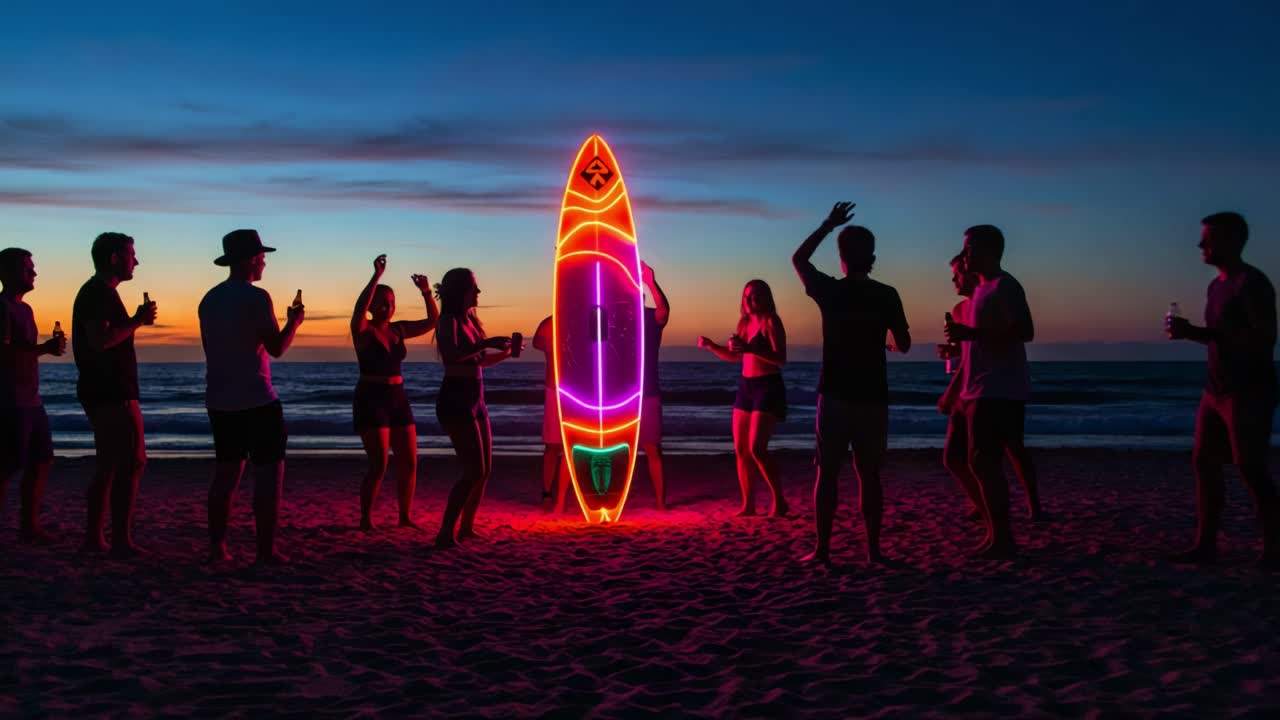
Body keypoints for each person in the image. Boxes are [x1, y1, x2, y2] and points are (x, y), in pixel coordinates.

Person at [793, 202, 910, 564]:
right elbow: (903, 343)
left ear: (842, 257)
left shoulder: (832, 291)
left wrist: (827, 224)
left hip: (836, 394)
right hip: (872, 395)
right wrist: (887, 341)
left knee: (826, 472)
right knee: (868, 474)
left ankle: (823, 549)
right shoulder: (887, 294)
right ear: (872, 257)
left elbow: (799, 259)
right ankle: (873, 550)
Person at [1166, 212, 1278, 568]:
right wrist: (1192, 333)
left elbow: (1264, 339)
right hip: (1214, 391)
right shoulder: (1215, 287)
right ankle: (1206, 545)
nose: (1201, 245)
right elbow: (1220, 339)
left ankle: (1274, 548)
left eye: (1208, 239)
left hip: (1249, 390)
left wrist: (1203, 333)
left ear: (1232, 241)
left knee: (1251, 469)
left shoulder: (1252, 283)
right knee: (1204, 463)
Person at [199, 229, 304, 566]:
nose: (263, 263)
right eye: (260, 257)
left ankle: (217, 548)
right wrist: (294, 323)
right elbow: (276, 348)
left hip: (220, 399)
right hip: (257, 399)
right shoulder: (257, 298)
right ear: (248, 260)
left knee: (226, 477)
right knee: (268, 478)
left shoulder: (209, 299)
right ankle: (265, 552)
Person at [944, 224, 1035, 559]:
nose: (965, 252)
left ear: (988, 250)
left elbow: (1025, 331)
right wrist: (963, 341)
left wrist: (971, 334)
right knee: (969, 460)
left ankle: (1003, 538)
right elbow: (981, 336)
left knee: (985, 462)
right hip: (976, 388)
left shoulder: (1005, 286)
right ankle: (996, 533)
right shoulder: (982, 290)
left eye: (969, 247)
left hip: (998, 388)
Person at [72, 232, 156, 558]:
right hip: (111, 390)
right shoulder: (98, 293)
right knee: (132, 462)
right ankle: (118, 539)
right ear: (114, 259)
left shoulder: (100, 293)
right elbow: (100, 341)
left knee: (110, 463)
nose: (136, 261)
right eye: (131, 254)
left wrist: (134, 320)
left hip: (105, 389)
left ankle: (97, 538)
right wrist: (137, 320)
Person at [433, 268, 521, 548]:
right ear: (460, 291)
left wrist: (504, 353)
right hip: (455, 398)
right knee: (473, 470)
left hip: (475, 396)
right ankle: (446, 531)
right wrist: (486, 342)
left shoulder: (470, 319)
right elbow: (452, 356)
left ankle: (466, 528)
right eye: (474, 287)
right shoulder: (447, 321)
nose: (478, 292)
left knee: (484, 470)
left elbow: (477, 361)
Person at [351, 254, 438, 531]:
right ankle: (366, 518)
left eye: (392, 303)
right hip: (370, 398)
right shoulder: (362, 330)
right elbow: (357, 311)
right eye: (384, 302)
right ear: (373, 305)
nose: (389, 307)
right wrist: (376, 276)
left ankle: (404, 516)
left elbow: (432, 321)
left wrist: (426, 292)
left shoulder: (399, 330)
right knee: (378, 464)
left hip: (398, 398)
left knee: (410, 461)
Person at [697, 279, 788, 518]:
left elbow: (780, 359)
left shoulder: (771, 322)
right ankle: (748, 504)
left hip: (768, 386)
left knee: (757, 448)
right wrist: (711, 346)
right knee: (740, 450)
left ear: (765, 297)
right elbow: (735, 357)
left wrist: (750, 349)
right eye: (746, 296)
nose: (749, 300)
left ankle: (779, 500)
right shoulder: (744, 323)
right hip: (746, 386)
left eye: (755, 296)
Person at [0, 248, 65, 543]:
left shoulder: (25, 310)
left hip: (32, 398)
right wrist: (45, 349)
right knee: (8, 465)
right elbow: (6, 353)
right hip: (10, 399)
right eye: (28, 269)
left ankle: (29, 526)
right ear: (9, 273)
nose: (34, 273)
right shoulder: (2, 307)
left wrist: (44, 349)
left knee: (42, 460)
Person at [638, 261, 670, 511]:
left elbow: (664, 310)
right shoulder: (612, 320)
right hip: (618, 395)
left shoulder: (649, 317)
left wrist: (650, 279)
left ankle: (660, 502)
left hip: (647, 393)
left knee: (652, 448)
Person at [533, 315, 572, 513]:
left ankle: (564, 497)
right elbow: (536, 341)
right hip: (555, 388)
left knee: (573, 444)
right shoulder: (553, 319)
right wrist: (556, 345)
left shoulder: (586, 316)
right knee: (553, 444)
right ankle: (547, 493)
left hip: (580, 389)